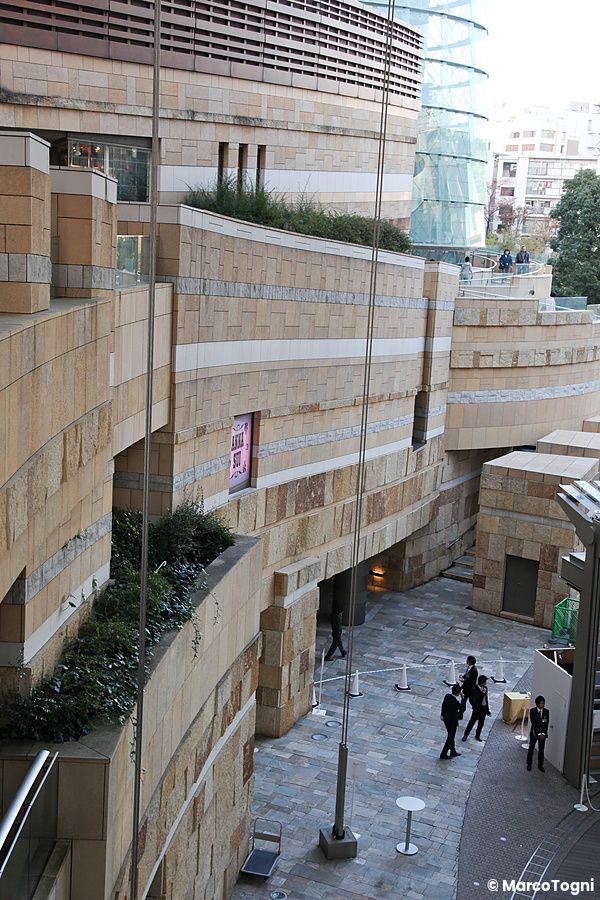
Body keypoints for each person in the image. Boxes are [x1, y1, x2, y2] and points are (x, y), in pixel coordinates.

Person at [461, 674, 491, 742]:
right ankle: (465, 735)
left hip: (483, 710)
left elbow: (486, 700)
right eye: (485, 681)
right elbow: (473, 700)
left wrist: (487, 710)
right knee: (471, 722)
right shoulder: (474, 689)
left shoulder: (485, 688)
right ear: (482, 682)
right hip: (477, 710)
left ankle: (477, 735)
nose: (486, 683)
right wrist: (482, 694)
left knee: (481, 724)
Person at [527, 695, 549, 772]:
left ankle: (540, 765)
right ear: (537, 704)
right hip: (534, 733)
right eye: (541, 703)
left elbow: (545, 723)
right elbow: (534, 724)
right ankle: (529, 764)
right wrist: (539, 733)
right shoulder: (532, 711)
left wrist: (543, 733)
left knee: (541, 750)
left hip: (543, 734)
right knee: (531, 748)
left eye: (543, 703)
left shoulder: (546, 712)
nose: (543, 705)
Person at [440, 683, 462, 759]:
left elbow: (443, 705)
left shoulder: (447, 696)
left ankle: (453, 751)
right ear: (458, 693)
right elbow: (462, 708)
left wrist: (442, 714)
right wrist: (463, 699)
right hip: (452, 722)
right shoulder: (455, 702)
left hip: (446, 719)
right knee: (450, 737)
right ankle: (443, 753)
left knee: (451, 736)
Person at [324, 596, 346, 660]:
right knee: (334, 645)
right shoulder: (337, 617)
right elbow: (337, 626)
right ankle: (328, 656)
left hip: (337, 632)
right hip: (337, 633)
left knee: (339, 642)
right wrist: (339, 633)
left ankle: (343, 652)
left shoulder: (337, 615)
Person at [459, 655, 478, 719]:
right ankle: (460, 714)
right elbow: (467, 675)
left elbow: (472, 682)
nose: (466, 661)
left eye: (467, 660)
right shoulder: (469, 667)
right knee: (463, 702)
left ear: (469, 662)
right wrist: (463, 677)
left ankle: (477, 712)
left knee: (472, 701)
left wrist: (464, 681)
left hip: (470, 690)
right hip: (466, 689)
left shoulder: (474, 671)